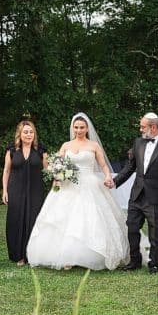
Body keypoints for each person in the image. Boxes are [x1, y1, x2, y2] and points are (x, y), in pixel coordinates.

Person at [26, 113, 129, 270]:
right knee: (63, 219)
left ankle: (91, 255)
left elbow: (103, 165)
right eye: (76, 127)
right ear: (72, 128)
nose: (79, 130)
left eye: (82, 127)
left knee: (88, 218)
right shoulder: (66, 145)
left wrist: (108, 176)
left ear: (87, 128)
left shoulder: (94, 146)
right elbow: (57, 164)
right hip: (67, 185)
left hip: (90, 184)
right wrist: (57, 174)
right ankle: (66, 256)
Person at [113, 112, 158, 274]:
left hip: (157, 197)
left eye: (143, 126)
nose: (140, 129)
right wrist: (115, 182)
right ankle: (134, 261)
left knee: (156, 231)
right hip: (137, 195)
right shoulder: (138, 143)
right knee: (132, 228)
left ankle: (154, 263)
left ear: (154, 127)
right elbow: (130, 167)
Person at [2, 120, 49, 266]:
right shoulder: (12, 151)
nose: (29, 134)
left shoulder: (41, 151)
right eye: (26, 132)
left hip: (36, 190)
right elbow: (6, 171)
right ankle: (18, 255)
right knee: (15, 220)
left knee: (33, 220)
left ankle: (32, 254)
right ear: (20, 134)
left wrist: (60, 175)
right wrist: (4, 190)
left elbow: (48, 171)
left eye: (31, 132)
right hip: (15, 189)